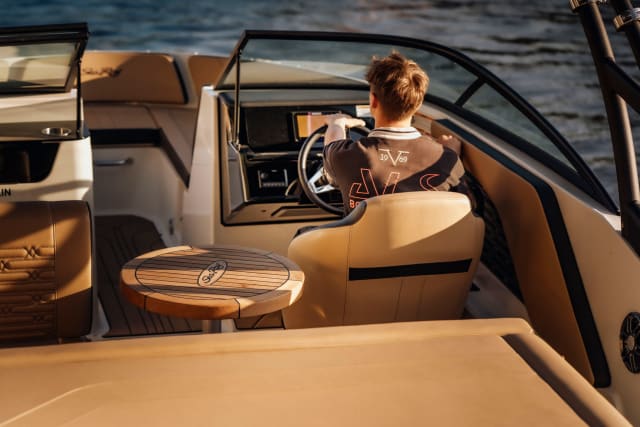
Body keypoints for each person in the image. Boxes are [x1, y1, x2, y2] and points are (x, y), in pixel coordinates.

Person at [322, 51, 468, 213]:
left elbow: (332, 144)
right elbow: (467, 207)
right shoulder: (447, 160)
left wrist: (337, 123)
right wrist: (449, 153)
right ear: (418, 105)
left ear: (373, 101)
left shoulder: (344, 156)